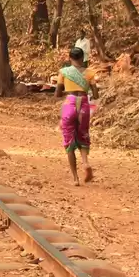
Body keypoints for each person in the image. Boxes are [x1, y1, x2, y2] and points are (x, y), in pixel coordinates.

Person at [55, 46, 99, 186]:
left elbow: (57, 94)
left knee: (69, 139)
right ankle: (85, 163)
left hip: (70, 103)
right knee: (83, 135)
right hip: (84, 104)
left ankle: (75, 178)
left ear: (70, 58)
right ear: (82, 58)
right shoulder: (90, 73)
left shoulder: (64, 72)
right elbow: (96, 95)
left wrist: (67, 91)